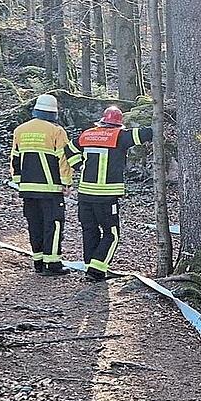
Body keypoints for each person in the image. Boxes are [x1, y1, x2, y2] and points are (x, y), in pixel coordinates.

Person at [66, 106, 152, 282]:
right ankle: (97, 270)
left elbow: (68, 149)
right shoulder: (120, 136)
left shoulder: (87, 134)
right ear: (118, 124)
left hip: (84, 195)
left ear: (102, 121)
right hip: (106, 196)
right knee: (111, 233)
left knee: (89, 231)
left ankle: (90, 265)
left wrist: (79, 166)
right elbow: (145, 134)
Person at [10, 94, 72, 276]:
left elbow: (14, 158)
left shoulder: (20, 130)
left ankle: (38, 262)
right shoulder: (56, 131)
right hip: (51, 189)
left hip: (27, 189)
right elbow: (63, 159)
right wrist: (66, 183)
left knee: (34, 224)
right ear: (54, 113)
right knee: (53, 225)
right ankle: (52, 264)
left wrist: (19, 182)